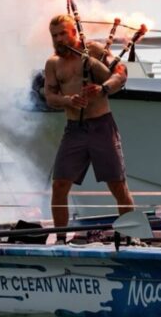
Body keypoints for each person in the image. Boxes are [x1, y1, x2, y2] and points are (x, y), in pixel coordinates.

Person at [43, 14, 134, 233]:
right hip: (74, 129)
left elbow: (121, 73)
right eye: (54, 36)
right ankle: (61, 238)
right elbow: (50, 96)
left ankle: (132, 235)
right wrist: (68, 100)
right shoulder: (53, 63)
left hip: (102, 126)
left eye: (63, 33)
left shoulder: (93, 51)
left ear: (73, 32)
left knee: (118, 185)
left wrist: (102, 88)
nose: (59, 39)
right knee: (59, 185)